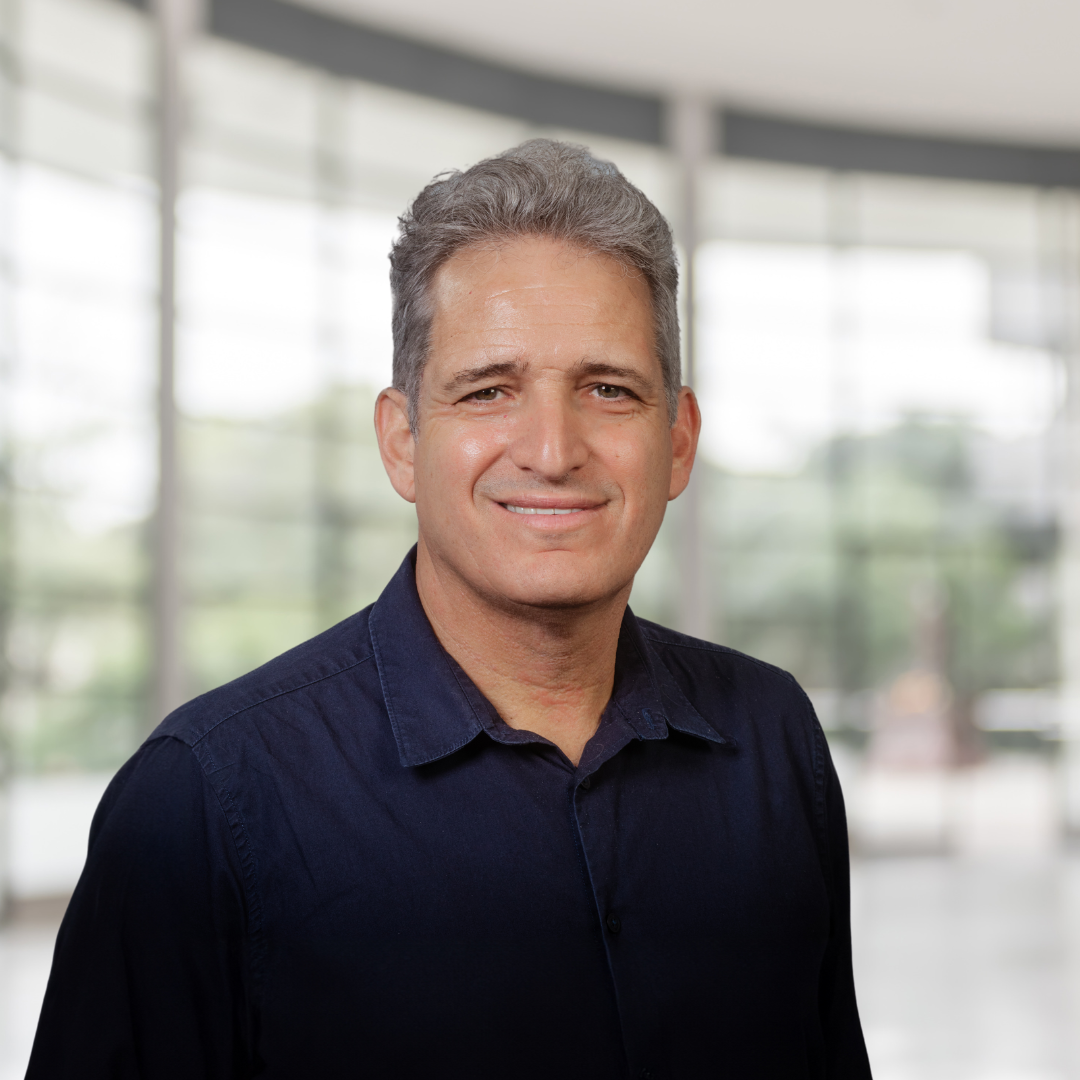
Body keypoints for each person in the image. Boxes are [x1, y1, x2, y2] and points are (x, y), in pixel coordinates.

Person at [28, 139, 871, 1079]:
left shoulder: (771, 738)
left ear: (676, 442)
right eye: (489, 390)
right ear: (401, 441)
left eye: (607, 389)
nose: (553, 449)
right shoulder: (203, 803)